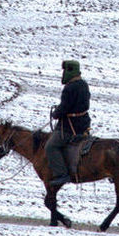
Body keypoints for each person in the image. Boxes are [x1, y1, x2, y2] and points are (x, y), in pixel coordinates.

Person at [45, 60, 91, 188]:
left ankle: (62, 174)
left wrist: (55, 114)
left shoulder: (69, 88)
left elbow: (64, 107)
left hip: (70, 126)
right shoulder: (84, 84)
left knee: (51, 146)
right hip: (84, 124)